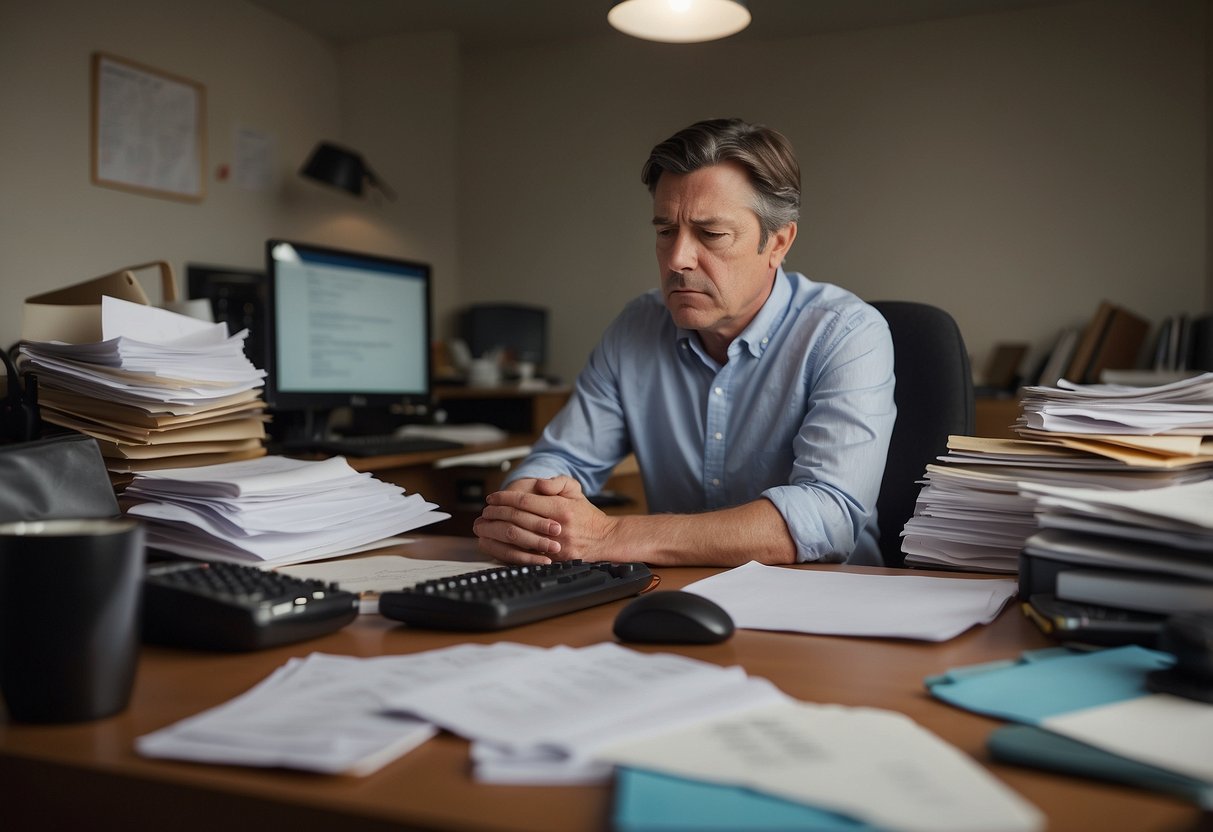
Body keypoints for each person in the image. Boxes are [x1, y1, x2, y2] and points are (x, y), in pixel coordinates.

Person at [473, 117, 896, 568]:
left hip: (826, 606)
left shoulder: (847, 333)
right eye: (665, 231)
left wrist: (612, 535)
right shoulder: (636, 327)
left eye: (711, 235)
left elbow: (827, 514)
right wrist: (526, 511)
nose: (677, 259)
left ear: (777, 242)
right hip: (676, 597)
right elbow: (561, 459)